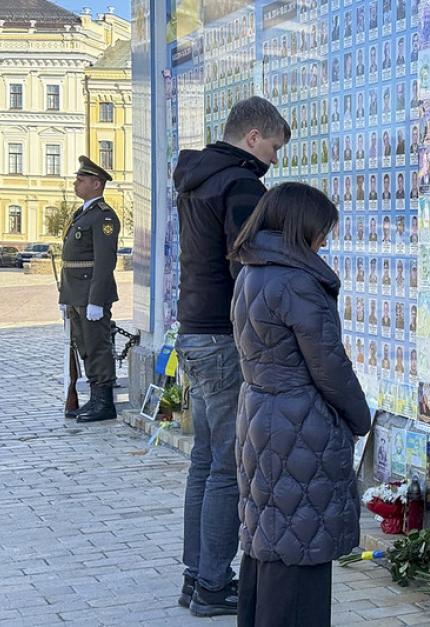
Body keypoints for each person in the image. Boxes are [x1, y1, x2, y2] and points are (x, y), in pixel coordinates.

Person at [228, 184, 370, 626]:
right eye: (321, 230)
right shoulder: (297, 282)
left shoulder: (253, 271)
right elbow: (329, 365)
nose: (323, 241)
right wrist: (360, 416)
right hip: (299, 425)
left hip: (259, 417)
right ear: (300, 227)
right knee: (299, 551)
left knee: (269, 542)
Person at [174, 96, 291, 617]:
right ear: (252, 138)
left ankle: (196, 574)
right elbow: (249, 262)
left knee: (205, 460)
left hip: (195, 329)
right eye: (274, 146)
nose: (274, 158)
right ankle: (213, 585)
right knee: (226, 466)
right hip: (224, 336)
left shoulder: (198, 176)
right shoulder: (242, 183)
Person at [59, 156, 120, 423]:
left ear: (97, 184)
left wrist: (96, 300)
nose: (76, 183)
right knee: (84, 346)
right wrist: (65, 296)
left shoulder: (103, 217)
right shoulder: (81, 214)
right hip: (76, 293)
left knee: (97, 346)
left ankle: (104, 402)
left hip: (91, 294)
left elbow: (105, 262)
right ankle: (94, 399)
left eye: (81, 180)